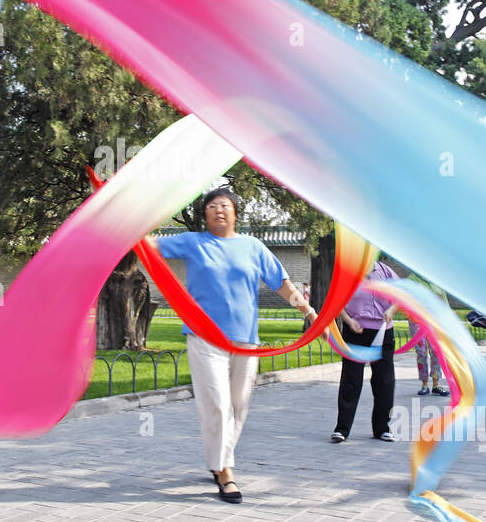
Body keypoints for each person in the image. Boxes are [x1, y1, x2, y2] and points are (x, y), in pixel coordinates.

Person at [150, 186, 319, 503]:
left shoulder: (252, 247)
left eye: (224, 205)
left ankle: (218, 459)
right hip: (204, 338)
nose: (218, 210)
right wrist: (124, 224)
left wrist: (308, 311)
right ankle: (225, 471)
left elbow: (281, 283)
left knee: (239, 405)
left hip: (245, 340)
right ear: (205, 215)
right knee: (217, 403)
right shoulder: (193, 242)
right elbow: (149, 246)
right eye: (212, 206)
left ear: (235, 212)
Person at [331, 259, 399, 443]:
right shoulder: (349, 272)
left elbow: (401, 296)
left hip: (383, 331)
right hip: (356, 331)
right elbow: (337, 302)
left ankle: (382, 428)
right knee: (351, 380)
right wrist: (349, 321)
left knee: (384, 381)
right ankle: (342, 429)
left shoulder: (385, 272)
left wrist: (391, 311)